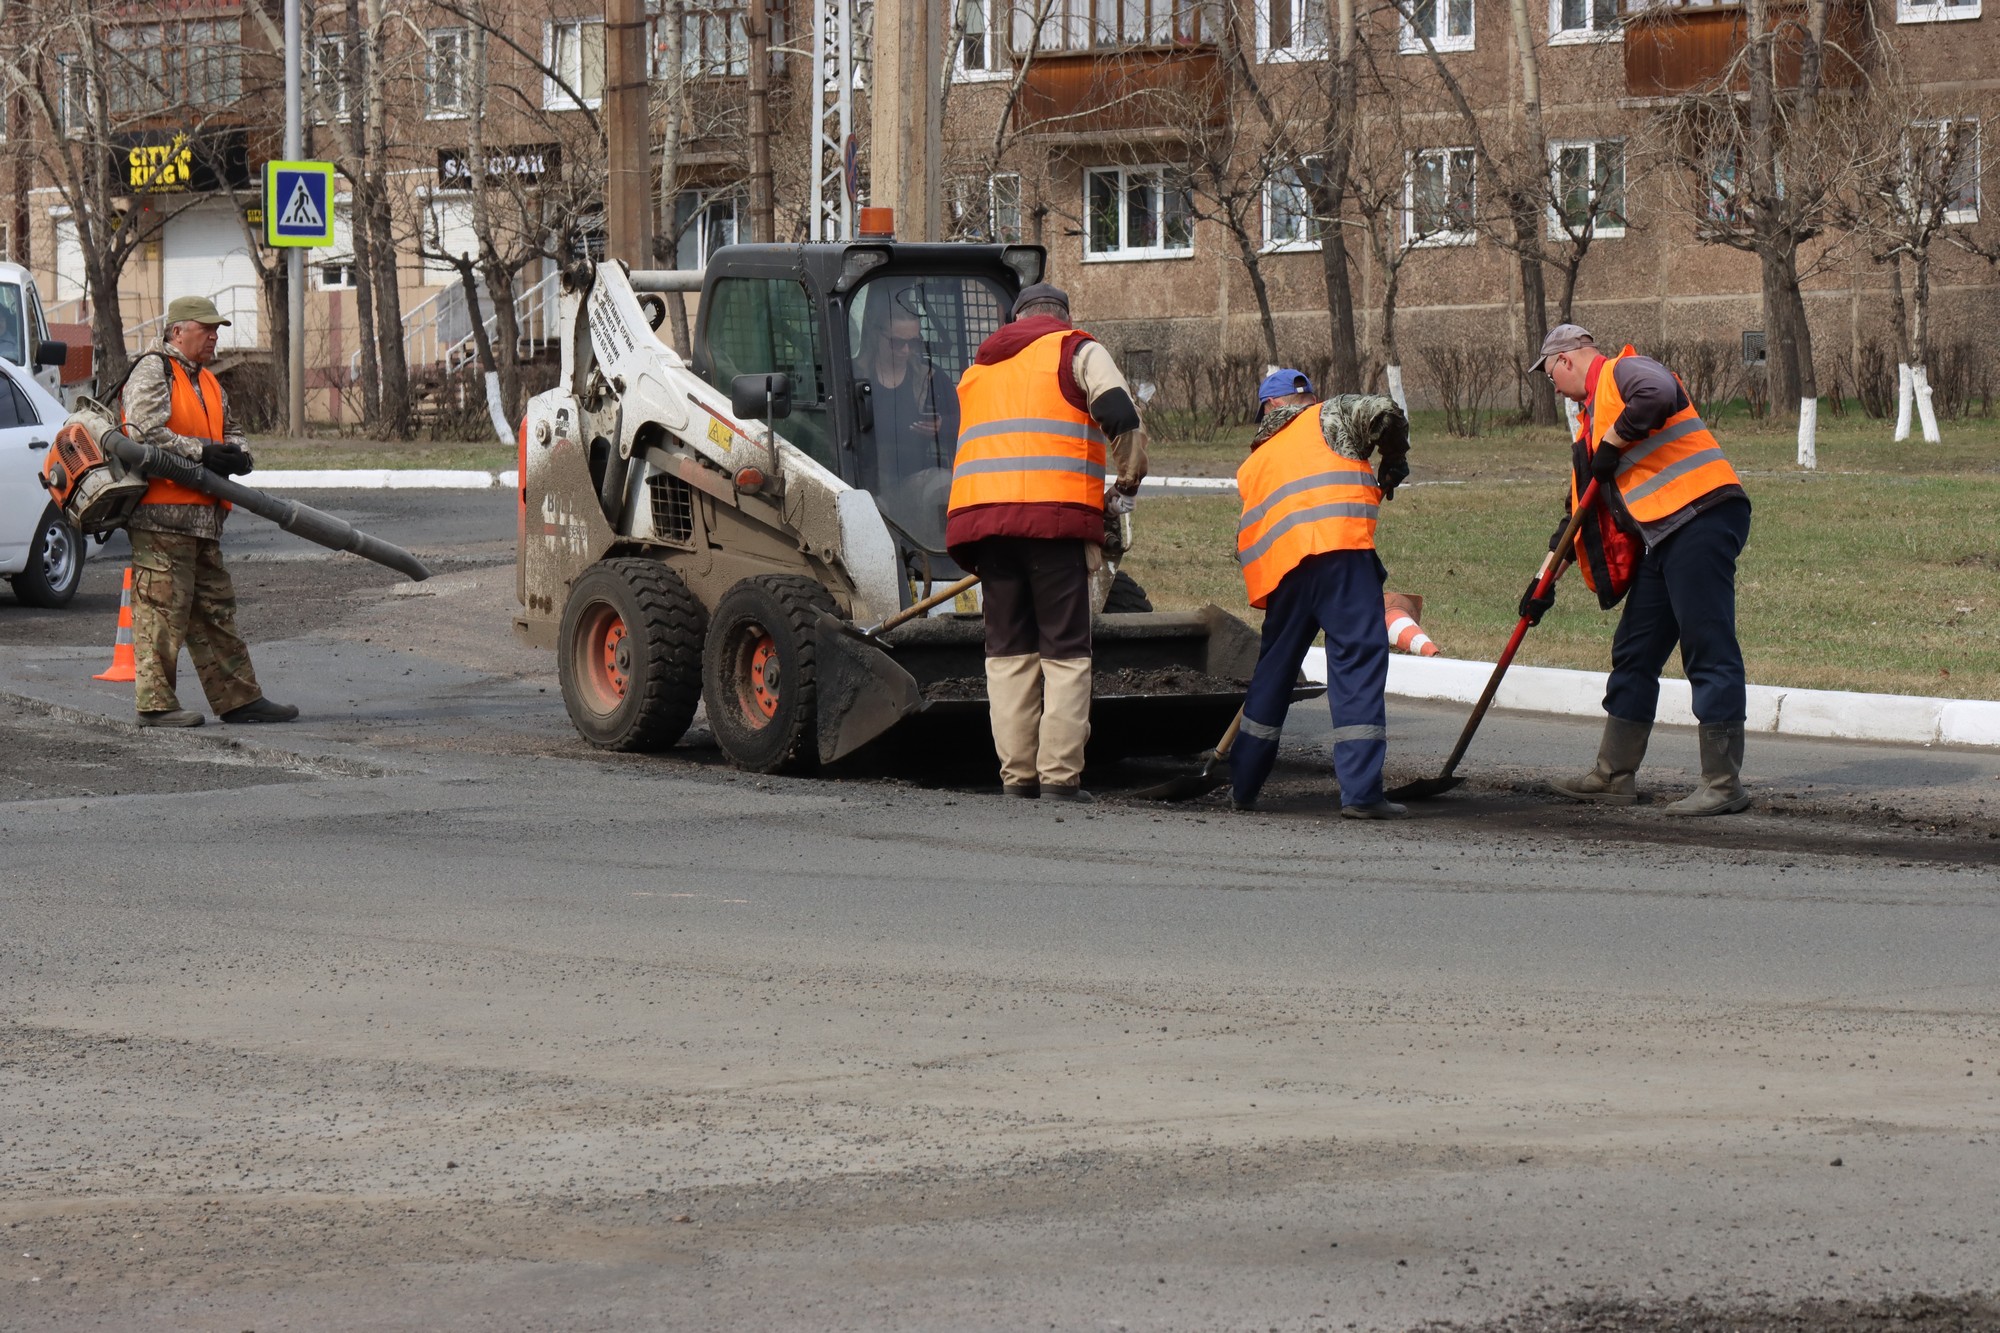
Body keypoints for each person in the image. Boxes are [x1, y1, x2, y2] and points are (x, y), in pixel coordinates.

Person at [1523, 323, 1752, 816]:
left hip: (1702, 515)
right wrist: (1542, 583)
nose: (1552, 387)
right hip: (1662, 535)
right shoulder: (1590, 423)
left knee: (1707, 646)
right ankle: (1613, 775)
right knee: (1635, 650)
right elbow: (1576, 516)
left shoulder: (1625, 370)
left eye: (1549, 376)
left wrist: (1613, 442)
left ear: (1565, 359)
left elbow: (1660, 392)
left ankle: (1723, 784)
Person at [946, 283, 1147, 802]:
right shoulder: (1077, 349)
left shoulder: (979, 369)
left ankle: (1017, 779)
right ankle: (1059, 777)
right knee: (1065, 651)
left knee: (1008, 653)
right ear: (1061, 316)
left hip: (985, 528)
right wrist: (1124, 486)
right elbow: (1122, 418)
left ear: (1017, 320)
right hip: (1053, 525)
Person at [1229, 370, 1410, 820]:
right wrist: (1393, 457)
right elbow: (1386, 411)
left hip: (1284, 574)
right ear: (1304, 400)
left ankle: (1243, 786)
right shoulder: (1330, 414)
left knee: (1275, 670)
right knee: (1357, 659)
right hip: (1341, 556)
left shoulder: (1253, 463)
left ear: (1269, 410)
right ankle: (1362, 794)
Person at [119, 296, 298, 728]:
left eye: (218, 328)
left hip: (203, 522)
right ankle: (155, 706)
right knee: (161, 615)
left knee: (217, 612)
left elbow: (232, 430)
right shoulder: (153, 369)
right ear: (177, 331)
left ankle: (239, 699)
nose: (215, 335)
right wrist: (203, 452)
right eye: (207, 328)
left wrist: (240, 455)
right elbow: (142, 433)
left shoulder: (208, 381)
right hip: (160, 519)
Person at [854, 285, 961, 489]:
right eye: (896, 343)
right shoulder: (855, 377)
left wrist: (942, 426)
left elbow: (965, 425)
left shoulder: (931, 378)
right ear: (876, 335)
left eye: (913, 343)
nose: (905, 351)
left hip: (918, 481)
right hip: (865, 482)